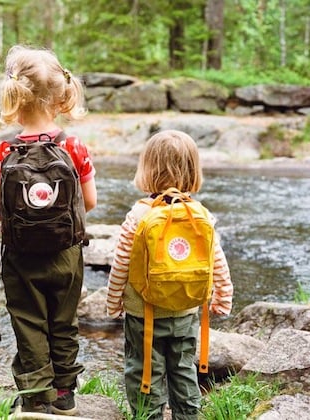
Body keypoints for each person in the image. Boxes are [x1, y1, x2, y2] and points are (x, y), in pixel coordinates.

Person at [0, 45, 97, 416]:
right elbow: (89, 202)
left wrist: (23, 218)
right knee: (64, 321)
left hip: (20, 256)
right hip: (67, 252)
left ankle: (36, 396)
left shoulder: (3, 152)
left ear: (15, 97)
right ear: (62, 97)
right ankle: (65, 394)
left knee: (29, 323)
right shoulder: (74, 147)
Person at [106, 129, 233, 419]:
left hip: (144, 314)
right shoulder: (200, 213)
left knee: (144, 372)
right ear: (193, 171)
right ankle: (187, 415)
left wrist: (114, 302)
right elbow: (217, 262)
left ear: (147, 169)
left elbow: (121, 264)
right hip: (186, 311)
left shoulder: (138, 215)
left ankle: (147, 415)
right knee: (184, 370)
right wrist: (223, 297)